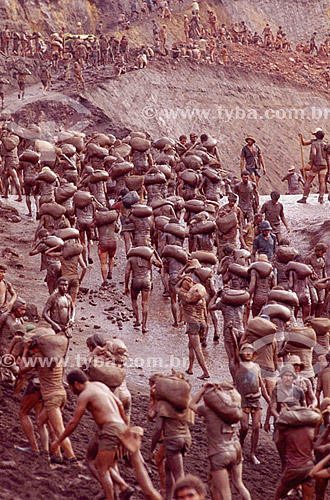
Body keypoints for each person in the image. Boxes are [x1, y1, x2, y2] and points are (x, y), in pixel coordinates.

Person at [52, 369, 161, 500]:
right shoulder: (100, 385)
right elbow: (120, 404)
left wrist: (58, 441)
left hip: (110, 430)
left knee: (101, 469)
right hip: (116, 426)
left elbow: (74, 422)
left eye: (71, 387)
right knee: (91, 459)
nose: (71, 390)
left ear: (76, 383)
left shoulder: (84, 395)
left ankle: (113, 495)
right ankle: (121, 486)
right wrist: (125, 426)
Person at [189, 384, 251, 500]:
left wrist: (203, 389)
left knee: (224, 493)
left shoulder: (207, 410)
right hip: (236, 449)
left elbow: (191, 404)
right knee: (238, 484)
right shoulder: (234, 411)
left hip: (219, 454)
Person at [20, 339, 76, 465]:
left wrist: (24, 352)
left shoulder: (39, 358)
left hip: (51, 399)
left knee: (59, 430)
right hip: (61, 395)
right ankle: (51, 452)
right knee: (40, 421)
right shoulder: (58, 359)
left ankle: (72, 458)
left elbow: (22, 369)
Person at [231, 341, 270, 465]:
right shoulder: (237, 365)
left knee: (256, 427)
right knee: (243, 428)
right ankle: (240, 447)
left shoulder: (256, 366)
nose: (247, 353)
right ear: (241, 353)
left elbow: (261, 386)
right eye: (245, 351)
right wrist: (232, 333)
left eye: (250, 351)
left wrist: (269, 400)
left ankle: (252, 453)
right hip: (242, 399)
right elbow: (234, 348)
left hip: (256, 399)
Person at [176, 276, 210, 379]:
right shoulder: (202, 299)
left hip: (192, 324)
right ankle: (190, 368)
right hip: (202, 323)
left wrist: (182, 279)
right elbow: (205, 314)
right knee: (191, 346)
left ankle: (205, 372)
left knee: (197, 349)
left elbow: (176, 287)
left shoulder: (185, 297)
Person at [124, 248, 162, 333]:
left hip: (135, 281)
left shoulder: (131, 258)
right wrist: (155, 252)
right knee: (145, 303)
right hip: (146, 281)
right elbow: (160, 265)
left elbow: (127, 272)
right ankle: (144, 326)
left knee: (134, 300)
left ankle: (137, 320)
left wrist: (126, 286)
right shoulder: (149, 257)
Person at [298, 129, 329, 204]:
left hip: (316, 165)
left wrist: (312, 165)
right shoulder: (325, 144)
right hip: (324, 165)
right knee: (322, 182)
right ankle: (321, 198)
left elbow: (314, 154)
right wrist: (328, 167)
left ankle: (304, 198)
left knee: (308, 181)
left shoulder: (314, 144)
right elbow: (327, 157)